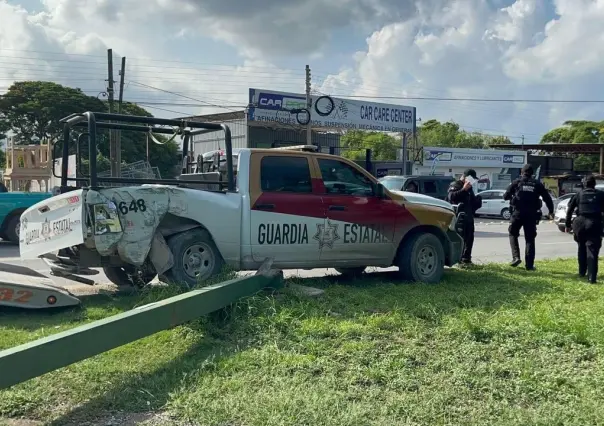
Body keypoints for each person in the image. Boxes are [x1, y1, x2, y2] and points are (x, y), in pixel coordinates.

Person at [503, 164, 554, 270]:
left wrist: (512, 196)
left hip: (517, 213)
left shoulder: (516, 182)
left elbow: (505, 196)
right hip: (531, 215)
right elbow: (547, 198)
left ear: (522, 172)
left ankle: (516, 257)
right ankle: (529, 265)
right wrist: (551, 211)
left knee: (512, 234)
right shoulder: (537, 184)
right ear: (532, 174)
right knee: (530, 239)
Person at [565, 175, 604, 283]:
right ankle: (592, 277)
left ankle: (582, 272)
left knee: (581, 247)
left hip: (579, 223)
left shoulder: (578, 194)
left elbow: (569, 210)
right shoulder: (601, 195)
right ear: (594, 184)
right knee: (592, 249)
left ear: (583, 184)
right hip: (594, 223)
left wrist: (568, 225)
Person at [447, 169, 481, 265]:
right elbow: (451, 197)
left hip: (469, 217)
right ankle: (458, 260)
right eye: (472, 179)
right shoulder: (455, 185)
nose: (473, 181)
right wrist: (463, 190)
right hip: (459, 218)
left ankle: (466, 259)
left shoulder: (469, 188)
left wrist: (478, 202)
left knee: (469, 239)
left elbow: (472, 201)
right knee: (460, 239)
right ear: (466, 177)